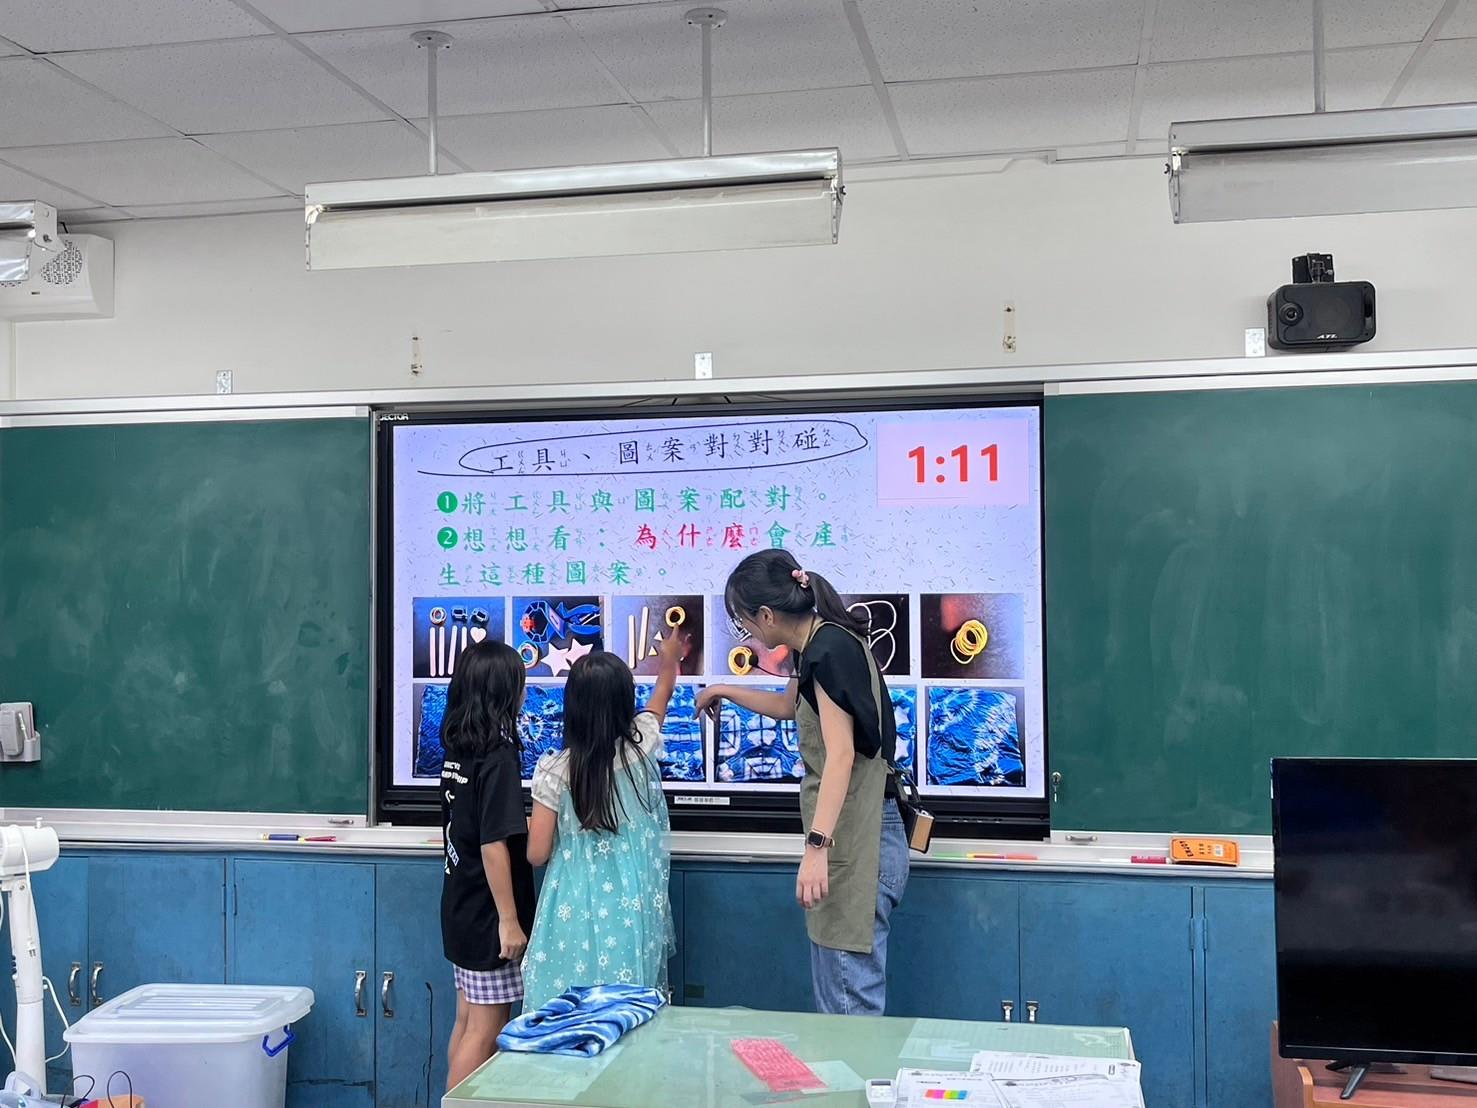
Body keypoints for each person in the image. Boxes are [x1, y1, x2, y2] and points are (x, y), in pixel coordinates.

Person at [696, 549, 909, 1016]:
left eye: (743, 621)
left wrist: (816, 849)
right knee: (841, 1000)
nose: (747, 632)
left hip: (855, 837)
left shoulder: (828, 651)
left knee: (848, 1008)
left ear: (766, 615)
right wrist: (722, 689)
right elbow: (788, 706)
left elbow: (841, 754)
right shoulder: (819, 643)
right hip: (855, 833)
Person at [521, 633, 683, 1010]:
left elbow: (537, 853)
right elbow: (662, 694)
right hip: (632, 908)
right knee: (625, 1006)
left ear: (572, 707)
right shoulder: (640, 746)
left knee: (568, 1006)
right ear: (625, 702)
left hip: (572, 906)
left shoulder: (554, 772)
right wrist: (670, 659)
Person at [440, 640, 537, 1090]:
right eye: (519, 683)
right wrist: (509, 921)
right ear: (503, 692)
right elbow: (493, 844)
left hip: (461, 904)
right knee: (487, 1028)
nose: (524, 692)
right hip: (488, 916)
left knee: (466, 1021)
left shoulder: (459, 748)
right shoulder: (498, 756)